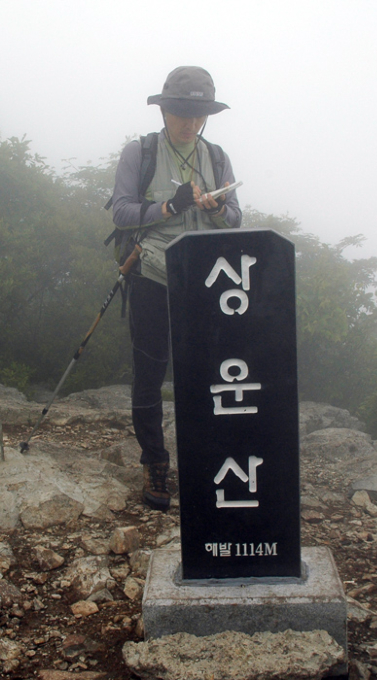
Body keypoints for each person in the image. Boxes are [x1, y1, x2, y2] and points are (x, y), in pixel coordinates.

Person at [108, 66, 242, 511]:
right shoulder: (142, 152)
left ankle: (205, 462)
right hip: (151, 275)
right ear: (165, 110)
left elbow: (237, 218)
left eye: (199, 114)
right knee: (149, 374)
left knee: (204, 376)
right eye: (182, 113)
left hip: (206, 282)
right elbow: (122, 213)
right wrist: (170, 205)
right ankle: (155, 462)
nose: (190, 123)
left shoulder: (217, 157)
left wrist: (220, 208)